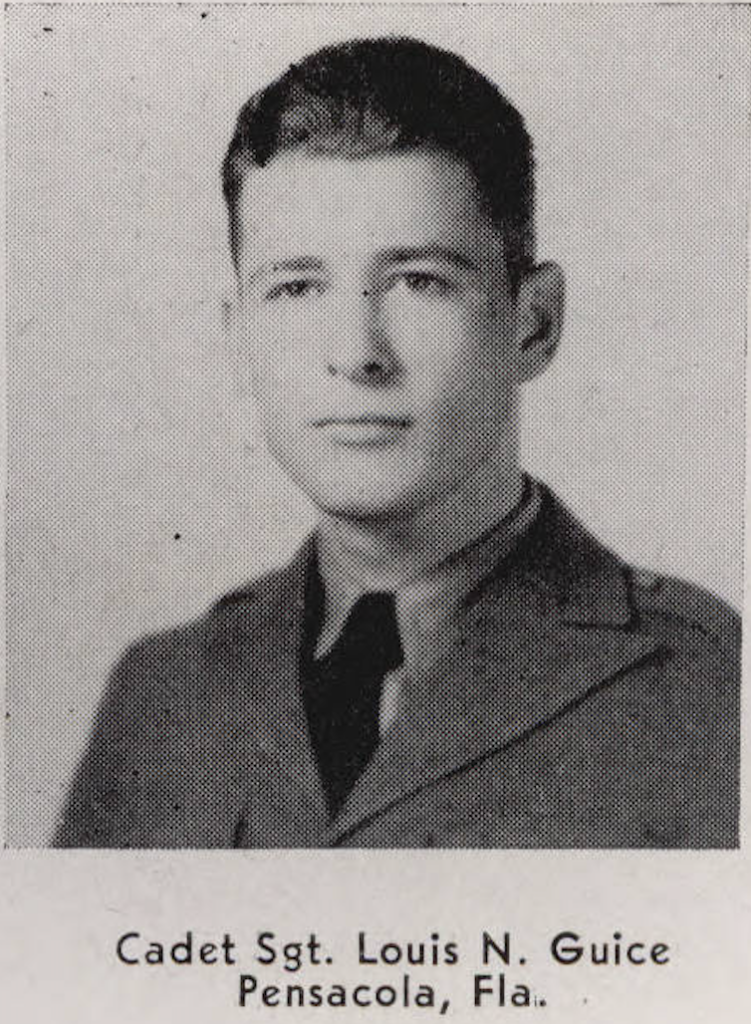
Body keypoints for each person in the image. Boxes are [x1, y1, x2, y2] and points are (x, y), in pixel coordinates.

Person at [54, 36, 740, 849]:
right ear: (239, 341)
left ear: (533, 322)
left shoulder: (707, 685)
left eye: (419, 281)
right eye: (296, 286)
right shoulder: (163, 695)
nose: (357, 352)